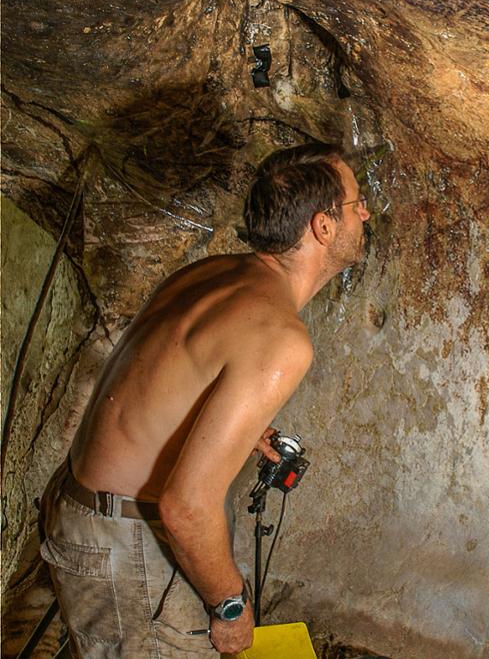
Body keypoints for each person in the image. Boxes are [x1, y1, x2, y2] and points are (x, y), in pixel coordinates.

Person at [38, 142, 370, 657]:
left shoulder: (213, 273)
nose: (366, 210)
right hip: (131, 542)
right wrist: (229, 605)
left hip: (86, 506)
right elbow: (186, 508)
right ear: (323, 227)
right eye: (356, 202)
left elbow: (157, 384)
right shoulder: (283, 339)